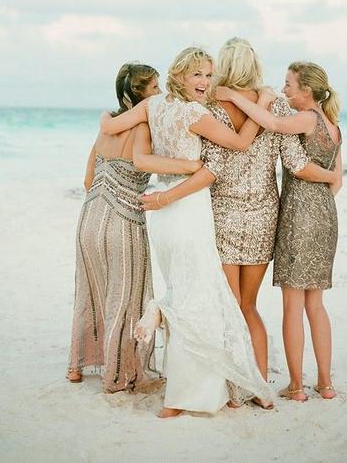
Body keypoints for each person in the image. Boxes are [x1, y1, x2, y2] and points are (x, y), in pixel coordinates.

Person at [140, 39, 338, 410]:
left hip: (223, 215)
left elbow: (209, 165)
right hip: (264, 213)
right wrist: (331, 175)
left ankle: (233, 392)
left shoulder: (210, 107)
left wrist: (167, 191)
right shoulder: (275, 106)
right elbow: (293, 160)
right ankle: (260, 390)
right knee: (249, 306)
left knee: (229, 306)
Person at [99, 47, 273, 418]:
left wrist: (109, 114)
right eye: (197, 75)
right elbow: (241, 143)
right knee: (195, 296)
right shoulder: (197, 113)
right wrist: (264, 106)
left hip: (160, 209)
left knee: (179, 292)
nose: (205, 83)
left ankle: (182, 390)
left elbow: (109, 126)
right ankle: (188, 395)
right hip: (185, 206)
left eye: (209, 76)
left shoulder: (152, 106)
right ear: (178, 74)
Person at [67, 63, 201, 393]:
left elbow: (88, 180)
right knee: (124, 299)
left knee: (91, 291)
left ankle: (76, 366)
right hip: (124, 221)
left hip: (88, 219)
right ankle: (116, 375)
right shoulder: (143, 126)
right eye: (155, 88)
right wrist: (189, 166)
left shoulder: (105, 128)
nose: (160, 94)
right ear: (140, 97)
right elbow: (144, 161)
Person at [216, 61, 342, 402]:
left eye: (289, 85)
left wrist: (233, 95)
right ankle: (326, 385)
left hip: (299, 215)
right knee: (316, 304)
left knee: (292, 305)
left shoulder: (307, 118)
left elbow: (270, 123)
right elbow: (336, 182)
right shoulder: (334, 126)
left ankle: (297, 387)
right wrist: (325, 188)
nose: (285, 90)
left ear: (307, 91)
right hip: (326, 215)